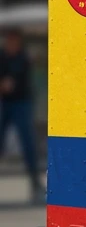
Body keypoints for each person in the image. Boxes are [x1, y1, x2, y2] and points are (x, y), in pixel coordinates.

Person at [0, 28, 42, 203]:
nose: (12, 45)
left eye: (15, 41)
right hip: (4, 103)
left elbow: (25, 81)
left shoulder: (23, 57)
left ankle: (35, 184)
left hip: (21, 103)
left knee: (28, 143)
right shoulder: (2, 57)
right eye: (10, 41)